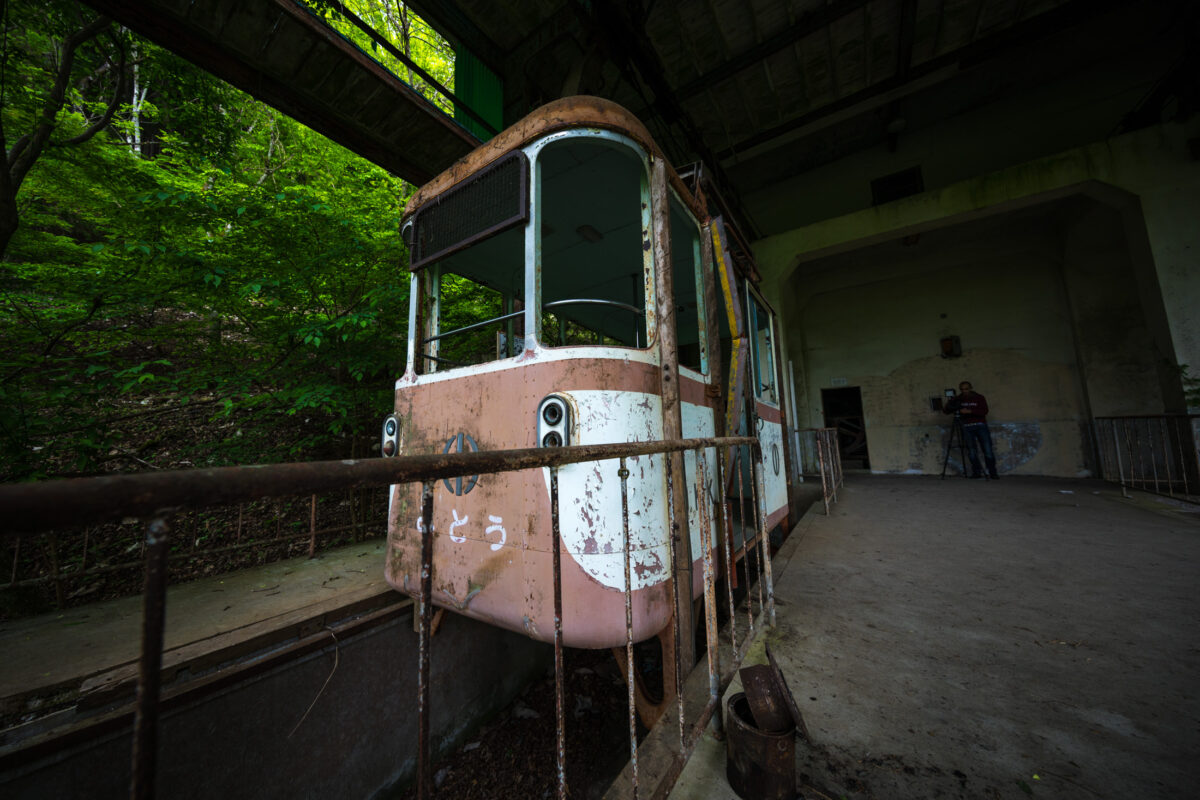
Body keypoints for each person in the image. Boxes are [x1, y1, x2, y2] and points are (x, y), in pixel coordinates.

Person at [944, 381, 999, 479]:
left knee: (987, 449)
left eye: (966, 389)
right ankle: (976, 472)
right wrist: (951, 401)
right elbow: (946, 411)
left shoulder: (979, 397)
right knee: (972, 451)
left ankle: (993, 472)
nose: (964, 391)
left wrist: (969, 411)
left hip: (980, 426)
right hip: (966, 427)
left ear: (971, 388)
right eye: (962, 389)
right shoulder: (959, 398)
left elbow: (984, 411)